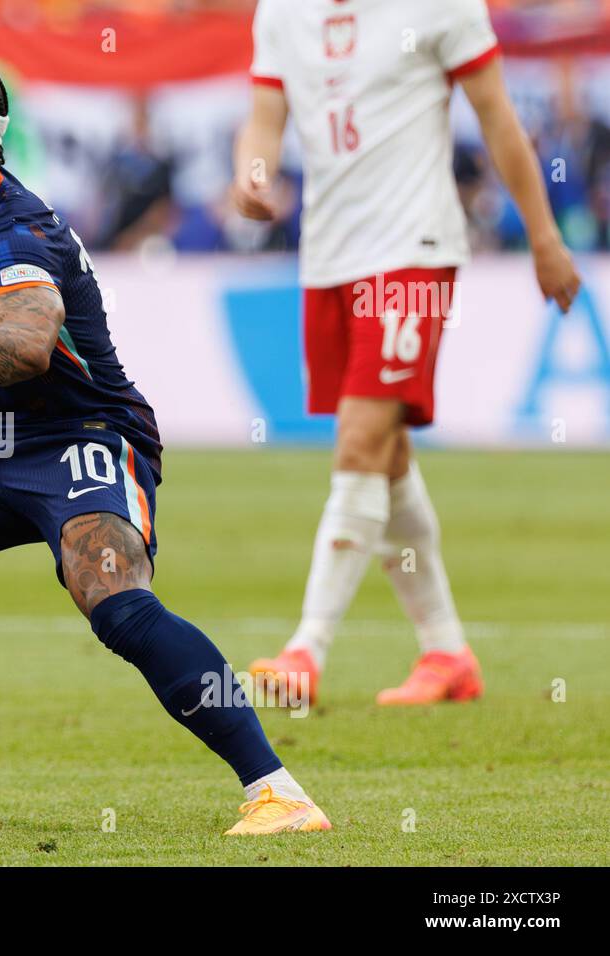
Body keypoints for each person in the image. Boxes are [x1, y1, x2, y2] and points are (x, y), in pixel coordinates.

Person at [0, 50, 330, 834]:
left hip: (88, 438)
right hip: (1, 441)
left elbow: (29, 340)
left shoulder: (18, 233)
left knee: (114, 602)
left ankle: (278, 791)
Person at [232, 0, 582, 706]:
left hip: (413, 249)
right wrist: (254, 175)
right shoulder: (281, 11)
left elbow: (497, 118)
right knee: (385, 456)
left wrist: (544, 237)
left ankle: (307, 650)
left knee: (361, 440)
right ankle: (448, 651)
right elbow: (265, 117)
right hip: (329, 256)